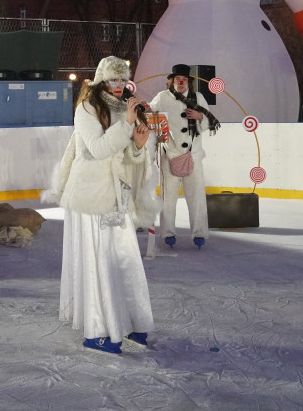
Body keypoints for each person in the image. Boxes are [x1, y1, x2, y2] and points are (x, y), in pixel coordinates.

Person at [43, 56, 157, 355]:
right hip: (90, 197)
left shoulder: (125, 110)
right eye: (112, 80)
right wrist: (128, 126)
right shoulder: (86, 109)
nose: (118, 86)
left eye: (122, 80)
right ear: (100, 81)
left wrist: (139, 146)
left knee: (125, 258)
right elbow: (98, 150)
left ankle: (131, 322)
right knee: (98, 262)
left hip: (117, 197)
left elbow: (125, 157)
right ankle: (98, 330)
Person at [149, 64, 221, 250]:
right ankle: (168, 234)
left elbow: (209, 121)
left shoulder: (198, 98)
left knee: (196, 197)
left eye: (184, 79)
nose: (181, 82)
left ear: (189, 81)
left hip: (193, 155)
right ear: (172, 81)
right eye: (177, 79)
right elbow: (149, 114)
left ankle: (199, 233)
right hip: (169, 155)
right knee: (168, 198)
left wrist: (199, 117)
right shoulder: (162, 98)